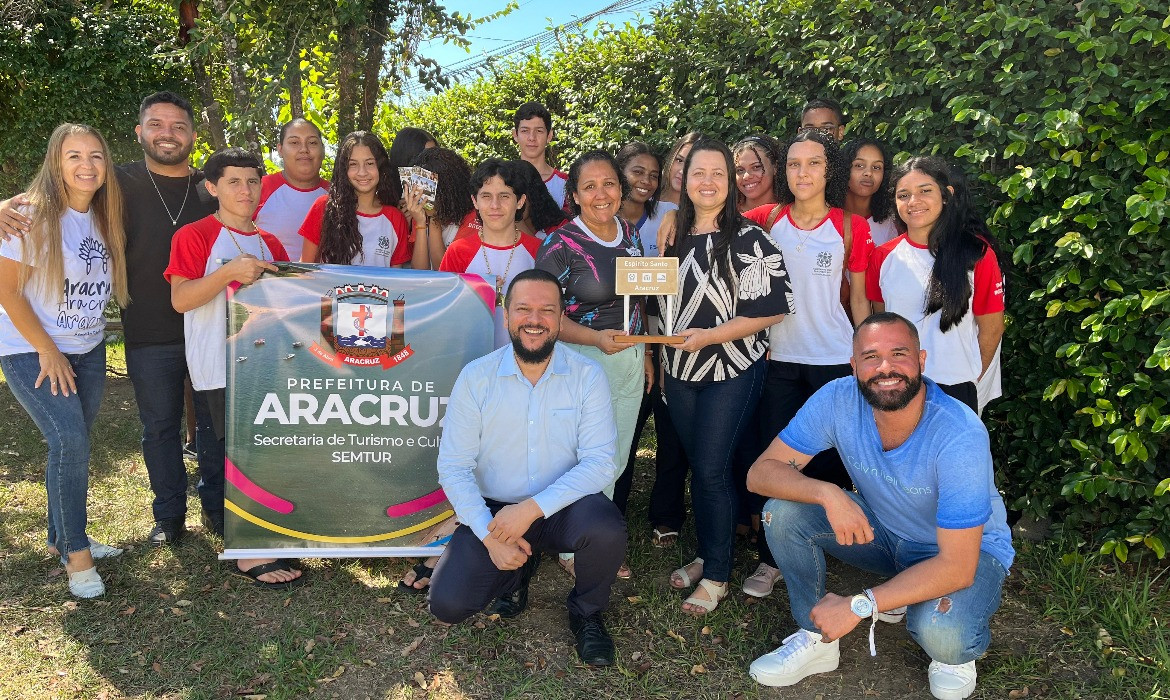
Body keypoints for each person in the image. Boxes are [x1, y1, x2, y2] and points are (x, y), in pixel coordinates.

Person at [745, 313, 1014, 700]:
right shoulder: (837, 398)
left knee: (942, 634)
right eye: (870, 356)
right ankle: (816, 637)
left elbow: (957, 565)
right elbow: (761, 473)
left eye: (899, 354)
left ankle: (951, 653)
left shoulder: (959, 433)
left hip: (963, 553)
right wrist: (828, 493)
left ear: (921, 360)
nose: (885, 367)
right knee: (782, 512)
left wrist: (860, 604)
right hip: (888, 535)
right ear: (854, 366)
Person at [0, 92, 222, 547]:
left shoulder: (211, 187)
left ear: (193, 137)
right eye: (156, 125)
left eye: (179, 126)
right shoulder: (114, 183)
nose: (168, 133)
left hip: (210, 327)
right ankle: (170, 517)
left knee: (215, 425)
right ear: (139, 133)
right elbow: (52, 194)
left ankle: (219, 513)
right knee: (159, 428)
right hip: (147, 332)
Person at [429, 268, 626, 667]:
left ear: (560, 318)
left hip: (563, 508)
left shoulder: (587, 375)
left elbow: (602, 462)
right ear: (505, 315)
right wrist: (489, 534)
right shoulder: (477, 377)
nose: (534, 320)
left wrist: (531, 510)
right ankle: (516, 574)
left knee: (606, 527)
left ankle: (587, 613)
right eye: (523, 309)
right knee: (447, 604)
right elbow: (453, 466)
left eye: (546, 310)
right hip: (495, 511)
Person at [736, 130, 874, 598]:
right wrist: (674, 220)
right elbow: (708, 222)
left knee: (832, 461)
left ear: (828, 170)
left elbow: (857, 297)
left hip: (834, 359)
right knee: (777, 460)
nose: (802, 173)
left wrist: (866, 354)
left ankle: (831, 544)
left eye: (812, 164)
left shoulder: (849, 225)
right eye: (794, 164)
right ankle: (770, 558)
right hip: (778, 360)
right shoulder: (765, 218)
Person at [660, 137, 791, 614]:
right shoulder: (669, 236)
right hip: (679, 369)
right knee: (703, 469)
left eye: (718, 173)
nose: (708, 182)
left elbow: (772, 310)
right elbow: (655, 302)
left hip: (732, 368)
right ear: (685, 180)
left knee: (713, 471)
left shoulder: (751, 238)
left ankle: (716, 575)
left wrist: (710, 336)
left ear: (732, 182)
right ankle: (710, 551)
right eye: (699, 173)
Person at [0, 123, 130, 598]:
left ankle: (62, 535)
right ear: (56, 162)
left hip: (89, 347)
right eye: (74, 156)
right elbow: (8, 292)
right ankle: (77, 556)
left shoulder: (103, 215)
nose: (86, 165)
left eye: (96, 156)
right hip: (31, 350)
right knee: (69, 442)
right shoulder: (28, 216)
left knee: (73, 445)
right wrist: (48, 350)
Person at [164, 147, 303, 588]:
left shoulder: (272, 243)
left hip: (267, 366)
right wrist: (229, 273)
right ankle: (236, 541)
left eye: (251, 180)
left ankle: (264, 528)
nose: (245, 190)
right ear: (212, 187)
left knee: (263, 451)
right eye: (233, 182)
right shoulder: (195, 235)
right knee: (222, 451)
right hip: (217, 365)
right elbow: (181, 299)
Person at [536, 149, 651, 580]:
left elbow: (637, 298)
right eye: (590, 186)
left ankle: (588, 537)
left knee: (615, 459)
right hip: (581, 360)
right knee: (581, 456)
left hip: (628, 359)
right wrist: (596, 339)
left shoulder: (629, 233)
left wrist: (646, 351)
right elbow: (542, 315)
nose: (601, 193)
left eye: (609, 184)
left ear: (621, 189)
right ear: (575, 194)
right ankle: (574, 545)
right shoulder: (561, 243)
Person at [866, 156, 1005, 413]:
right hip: (898, 388)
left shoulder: (977, 254)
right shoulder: (882, 257)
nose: (913, 202)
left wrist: (973, 375)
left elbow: (992, 329)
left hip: (956, 388)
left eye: (925, 191)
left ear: (946, 195)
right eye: (903, 195)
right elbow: (881, 319)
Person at [440, 158, 541, 348]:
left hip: (526, 357)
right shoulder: (458, 251)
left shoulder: (538, 250)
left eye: (504, 196)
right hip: (470, 356)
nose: (495, 205)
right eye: (486, 196)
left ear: (520, 201)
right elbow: (443, 311)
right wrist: (477, 292)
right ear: (475, 201)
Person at [298, 131, 418, 269]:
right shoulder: (323, 207)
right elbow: (304, 271)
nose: (362, 172)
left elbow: (395, 280)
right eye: (353, 164)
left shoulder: (395, 218)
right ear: (343, 169)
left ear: (380, 167)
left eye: (370, 163)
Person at [254, 118, 328, 261]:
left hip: (326, 282)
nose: (304, 149)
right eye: (294, 142)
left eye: (312, 142)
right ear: (280, 149)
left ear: (322, 149)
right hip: (268, 281)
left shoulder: (339, 195)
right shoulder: (257, 188)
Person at [402, 147, 477, 270]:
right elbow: (419, 272)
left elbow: (443, 271)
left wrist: (433, 219)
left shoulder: (472, 217)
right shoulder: (421, 210)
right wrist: (421, 223)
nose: (422, 195)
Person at [843, 138, 897, 246]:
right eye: (859, 165)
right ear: (844, 168)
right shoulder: (826, 217)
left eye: (876, 167)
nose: (868, 173)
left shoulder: (891, 224)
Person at [512, 102, 567, 207]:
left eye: (539, 131)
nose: (532, 137)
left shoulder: (565, 184)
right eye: (525, 131)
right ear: (515, 135)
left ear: (549, 135)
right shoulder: (502, 179)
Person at [512, 160, 568, 239]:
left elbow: (549, 250)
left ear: (533, 195)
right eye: (505, 196)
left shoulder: (561, 228)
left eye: (518, 195)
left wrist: (519, 222)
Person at [386, 126, 437, 208]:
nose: (431, 162)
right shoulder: (383, 197)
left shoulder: (445, 191)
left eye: (435, 156)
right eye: (425, 157)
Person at [734, 135, 783, 212]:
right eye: (740, 170)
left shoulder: (792, 213)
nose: (746, 176)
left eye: (756, 167)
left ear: (775, 167)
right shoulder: (724, 216)